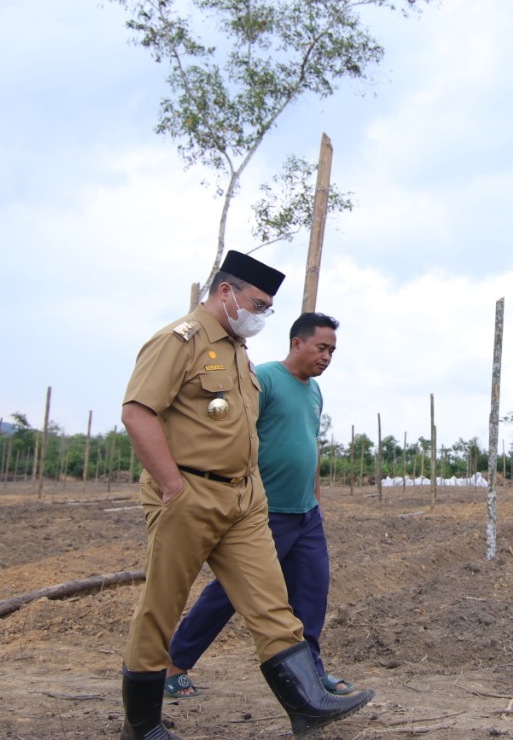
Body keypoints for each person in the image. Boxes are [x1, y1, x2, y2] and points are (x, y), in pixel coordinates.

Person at [118, 251, 373, 740]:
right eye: (257, 303)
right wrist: (172, 485)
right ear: (225, 292)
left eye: (267, 307)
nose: (261, 315)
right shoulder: (179, 342)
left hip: (245, 500)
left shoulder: (237, 351)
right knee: (161, 607)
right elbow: (137, 413)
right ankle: (143, 725)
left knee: (270, 602)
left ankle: (307, 704)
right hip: (189, 494)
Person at [165, 312, 355, 698]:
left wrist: (316, 500)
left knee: (311, 595)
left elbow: (309, 445)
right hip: (265, 512)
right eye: (322, 348)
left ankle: (311, 675)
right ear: (297, 343)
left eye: (333, 351)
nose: (327, 357)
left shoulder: (314, 392)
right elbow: (237, 435)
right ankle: (174, 664)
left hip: (305, 515)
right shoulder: (264, 379)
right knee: (228, 594)